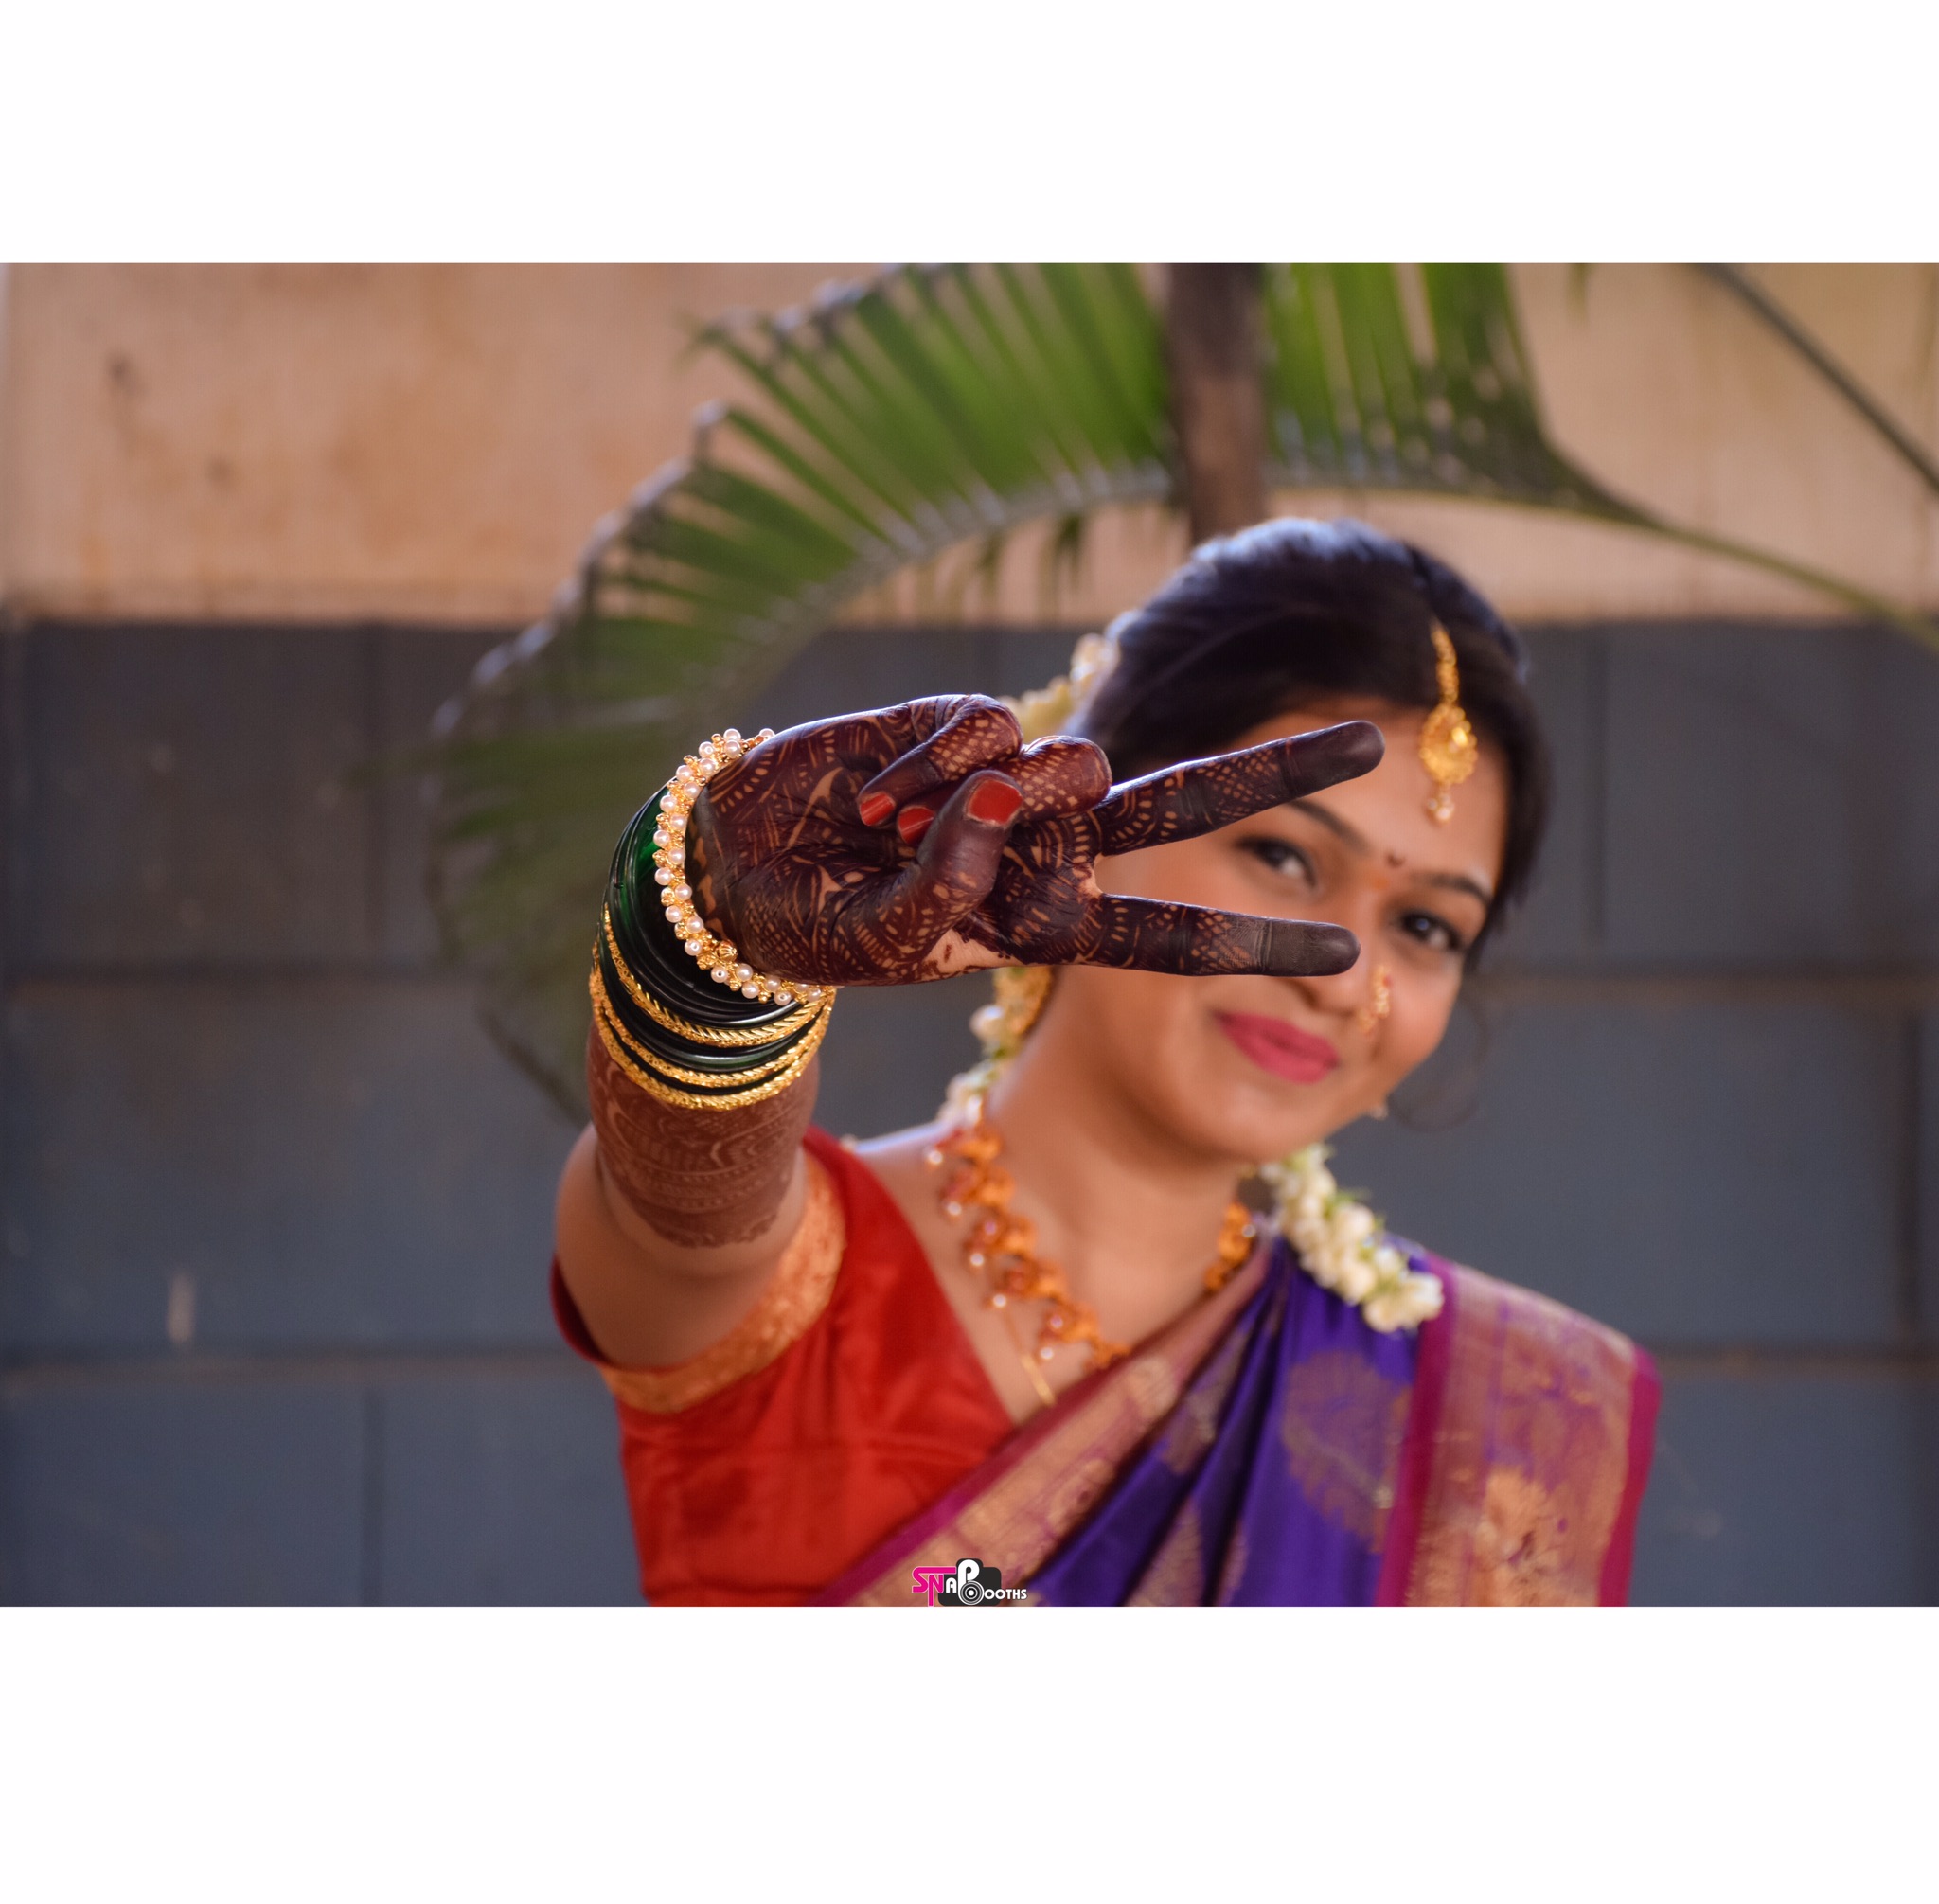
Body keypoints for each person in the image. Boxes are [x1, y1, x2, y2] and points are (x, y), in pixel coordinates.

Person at [552, 517, 1659, 1606]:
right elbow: (675, 1206)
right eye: (1283, 856)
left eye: (1425, 927)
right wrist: (701, 948)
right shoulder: (778, 1277)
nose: (1341, 976)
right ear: (1077, 814)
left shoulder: (1491, 1418)